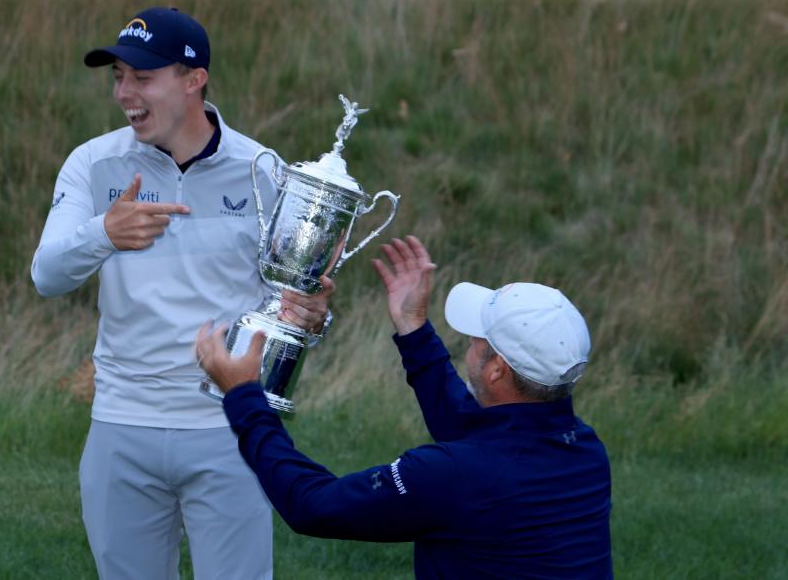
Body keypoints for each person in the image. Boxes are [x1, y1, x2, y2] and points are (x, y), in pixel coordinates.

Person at [31, 7, 332, 580]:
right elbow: (46, 275)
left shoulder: (263, 171)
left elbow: (292, 303)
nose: (124, 93)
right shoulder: (92, 163)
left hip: (229, 427)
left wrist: (310, 312)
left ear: (194, 80)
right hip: (121, 424)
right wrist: (104, 233)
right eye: (118, 76)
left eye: (142, 78)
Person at [196, 235, 612, 579]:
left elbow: (313, 507)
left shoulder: (451, 475)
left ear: (497, 371)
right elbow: (474, 433)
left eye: (475, 342)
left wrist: (245, 397)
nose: (466, 346)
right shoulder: (586, 452)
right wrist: (413, 327)